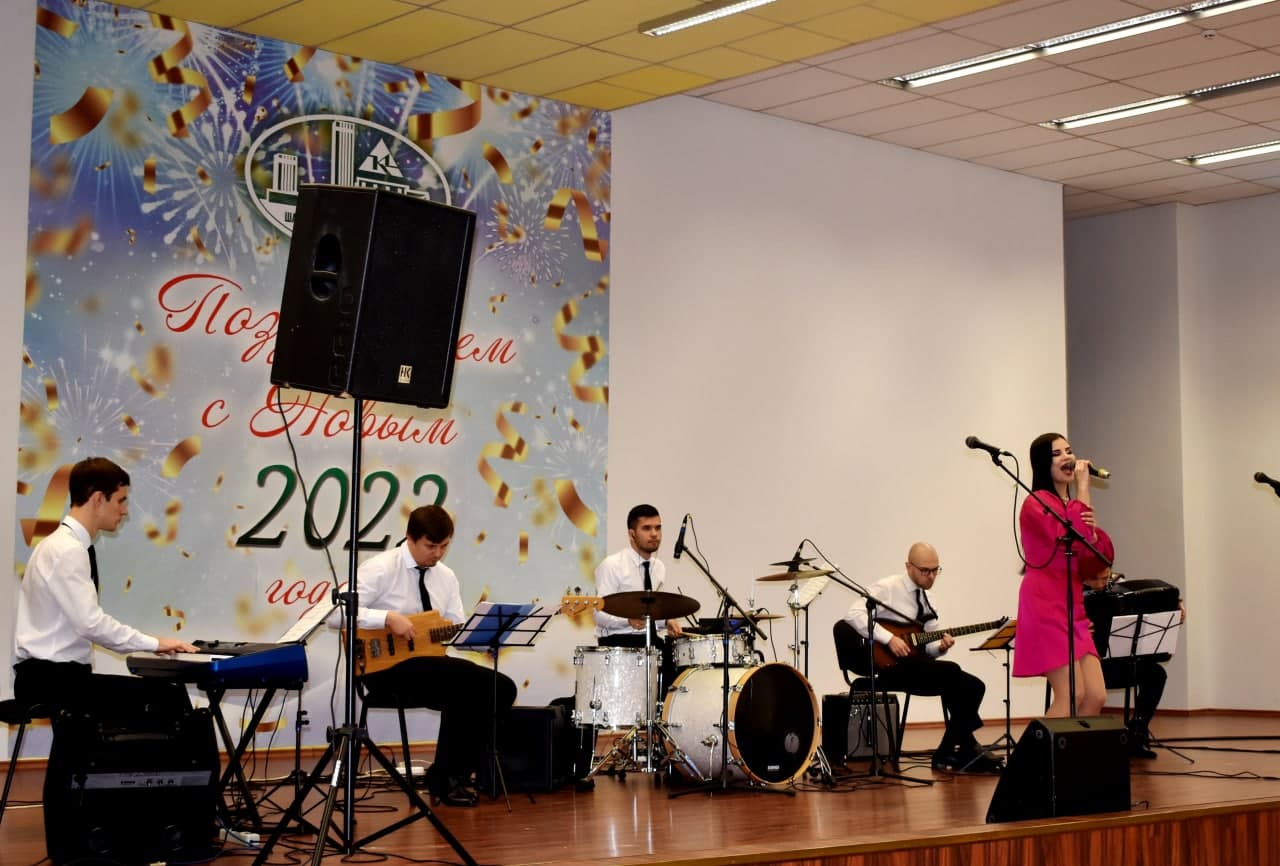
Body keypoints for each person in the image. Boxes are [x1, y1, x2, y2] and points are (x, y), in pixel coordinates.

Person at [339, 504, 516, 807]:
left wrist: (480, 640)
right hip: (383, 670)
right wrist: (386, 618)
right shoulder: (381, 568)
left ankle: (453, 774)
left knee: (501, 688)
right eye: (431, 546)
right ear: (410, 538)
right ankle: (446, 780)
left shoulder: (446, 577)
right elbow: (336, 613)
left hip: (429, 667)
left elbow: (454, 629)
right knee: (461, 681)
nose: (438, 554)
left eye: (444, 546)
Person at [13, 457, 196, 717]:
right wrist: (154, 643)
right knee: (168, 696)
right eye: (121, 500)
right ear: (98, 499)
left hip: (47, 678)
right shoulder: (68, 550)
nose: (125, 511)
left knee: (161, 697)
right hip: (53, 681)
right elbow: (90, 624)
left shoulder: (59, 544)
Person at [842, 542, 1002, 773]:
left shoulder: (930, 600)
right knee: (952, 672)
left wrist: (941, 648)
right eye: (925, 571)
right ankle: (962, 749)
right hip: (888, 666)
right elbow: (853, 614)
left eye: (935, 570)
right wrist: (889, 638)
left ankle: (951, 750)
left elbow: (929, 648)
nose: (931, 576)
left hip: (915, 665)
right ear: (909, 566)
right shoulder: (888, 588)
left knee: (975, 686)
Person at [1013, 432, 1115, 717]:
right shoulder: (1035, 503)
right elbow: (1073, 538)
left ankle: (1074, 748)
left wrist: (1094, 531)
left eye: (1069, 451)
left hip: (1072, 604)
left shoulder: (1070, 505)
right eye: (1057, 454)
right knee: (1072, 693)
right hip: (1045, 602)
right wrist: (1083, 489)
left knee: (1095, 695)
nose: (1067, 457)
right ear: (1042, 463)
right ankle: (1037, 750)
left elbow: (1092, 560)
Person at [1084, 568, 1185, 758]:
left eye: (1104, 578)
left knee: (1156, 674)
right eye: (1093, 578)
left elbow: (1156, 602)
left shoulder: (1120, 587)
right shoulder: (1072, 593)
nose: (1099, 584)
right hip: (1086, 666)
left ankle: (1137, 731)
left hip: (1117, 663)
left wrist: (1176, 607)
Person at [594, 504, 684, 692]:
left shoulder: (659, 567)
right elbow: (599, 615)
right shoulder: (612, 565)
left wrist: (667, 621)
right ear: (632, 534)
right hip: (620, 645)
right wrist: (627, 620)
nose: (654, 534)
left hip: (651, 643)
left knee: (679, 667)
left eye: (658, 528)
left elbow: (651, 615)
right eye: (647, 528)